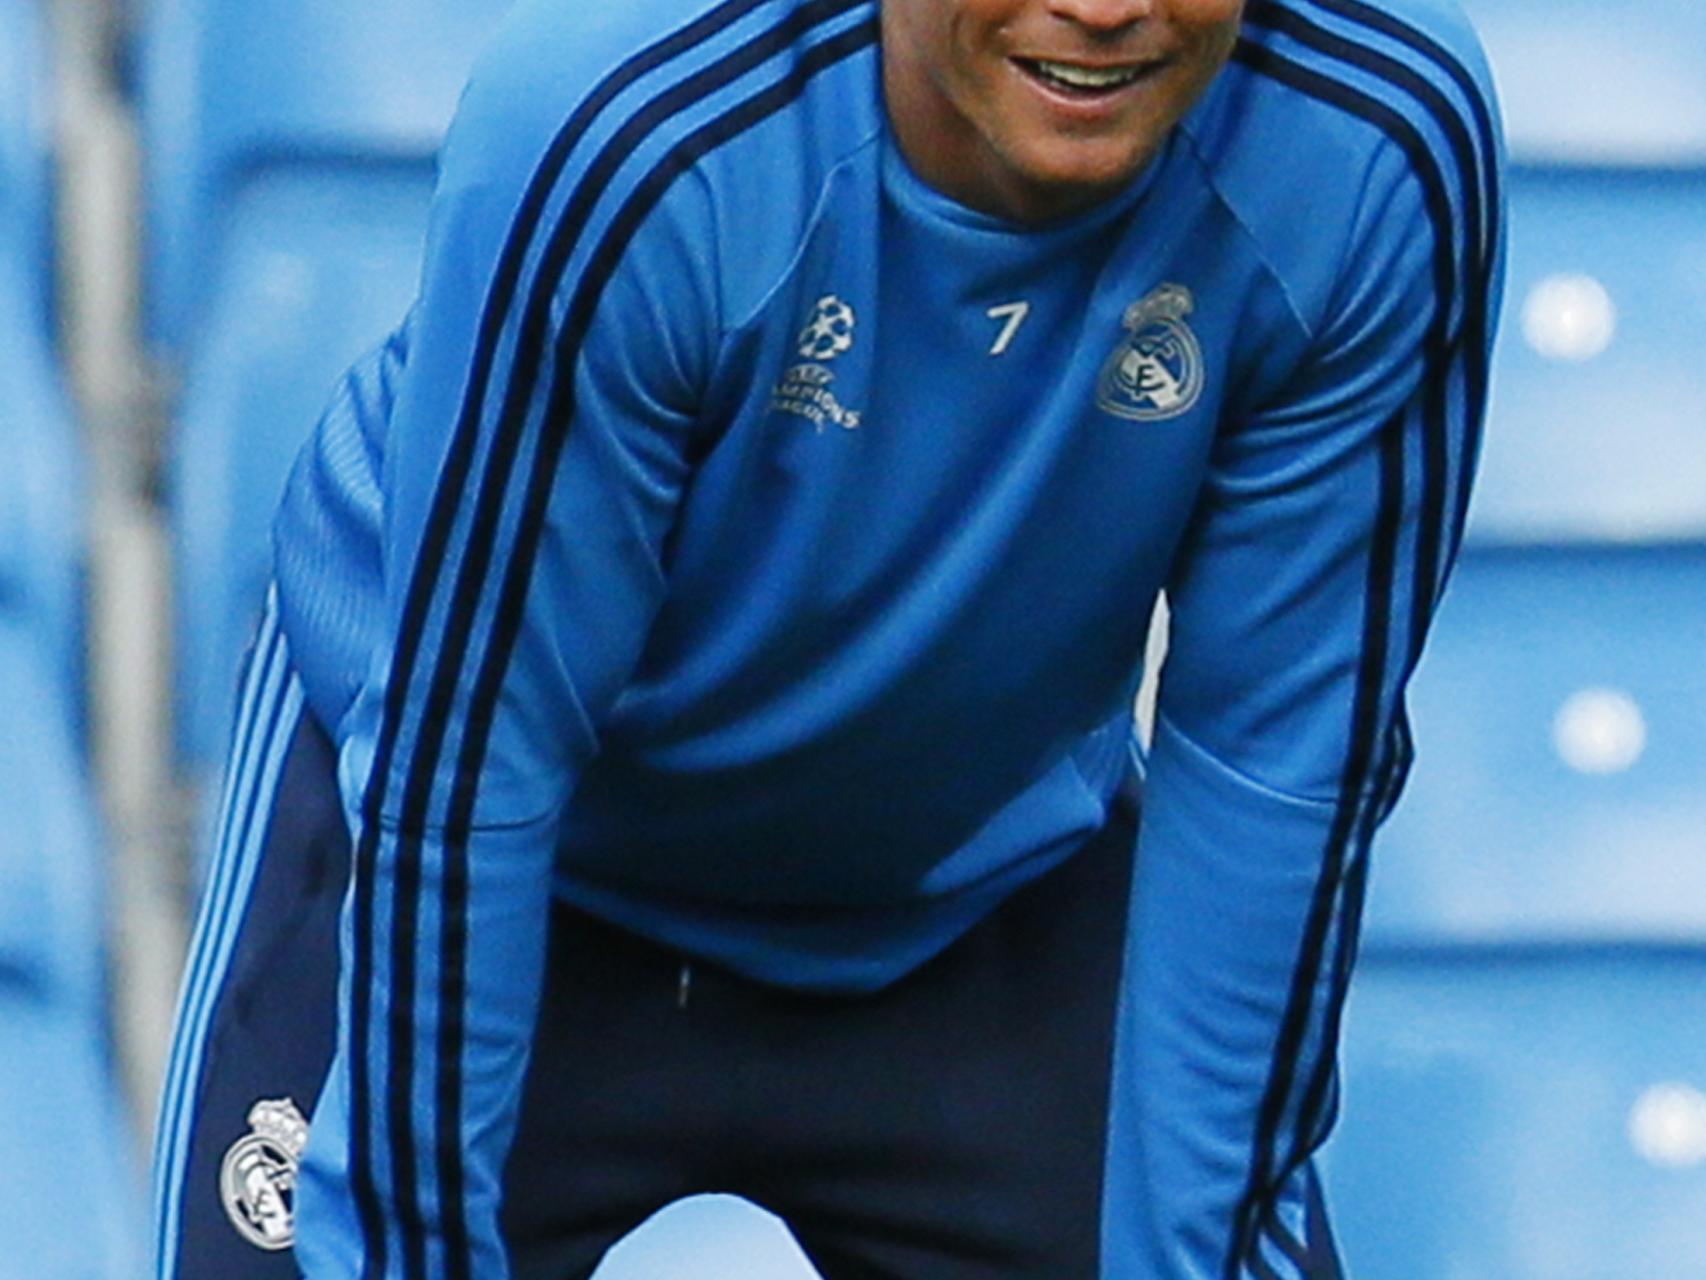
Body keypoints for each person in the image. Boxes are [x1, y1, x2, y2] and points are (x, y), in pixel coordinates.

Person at [151, 0, 1504, 1276]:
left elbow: (1280, 762)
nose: (1102, 7)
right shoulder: (630, 128)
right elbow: (470, 768)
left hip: (970, 886)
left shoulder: (1377, 140)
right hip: (489, 853)